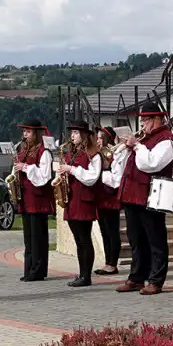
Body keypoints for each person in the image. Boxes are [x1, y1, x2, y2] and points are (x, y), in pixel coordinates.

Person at [116, 105, 173, 295]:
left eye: (146, 120)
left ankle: (156, 280)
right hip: (132, 194)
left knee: (155, 240)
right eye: (142, 120)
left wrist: (136, 145)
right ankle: (136, 277)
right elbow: (122, 163)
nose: (143, 124)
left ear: (158, 120)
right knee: (136, 240)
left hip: (151, 195)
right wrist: (127, 148)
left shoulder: (167, 140)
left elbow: (151, 164)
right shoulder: (145, 139)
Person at [58, 120, 102, 287]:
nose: (72, 136)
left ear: (84, 135)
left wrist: (72, 170)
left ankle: (86, 275)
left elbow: (92, 177)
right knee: (78, 240)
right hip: (72, 199)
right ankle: (81, 273)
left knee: (84, 239)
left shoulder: (93, 155)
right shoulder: (72, 153)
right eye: (72, 133)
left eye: (76, 133)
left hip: (84, 201)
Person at [13, 117, 54, 282]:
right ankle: (29, 268)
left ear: (36, 133)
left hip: (38, 200)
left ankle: (38, 270)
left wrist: (26, 167)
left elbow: (44, 176)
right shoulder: (23, 150)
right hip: (26, 198)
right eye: (24, 131)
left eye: (28, 131)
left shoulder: (44, 152)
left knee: (38, 238)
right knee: (28, 238)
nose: (25, 135)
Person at [93, 125, 124, 277]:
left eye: (101, 138)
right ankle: (107, 262)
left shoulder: (115, 153)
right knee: (104, 231)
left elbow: (116, 179)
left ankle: (113, 264)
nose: (98, 141)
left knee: (112, 231)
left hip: (110, 197)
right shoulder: (98, 154)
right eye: (97, 138)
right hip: (100, 196)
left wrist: (103, 171)